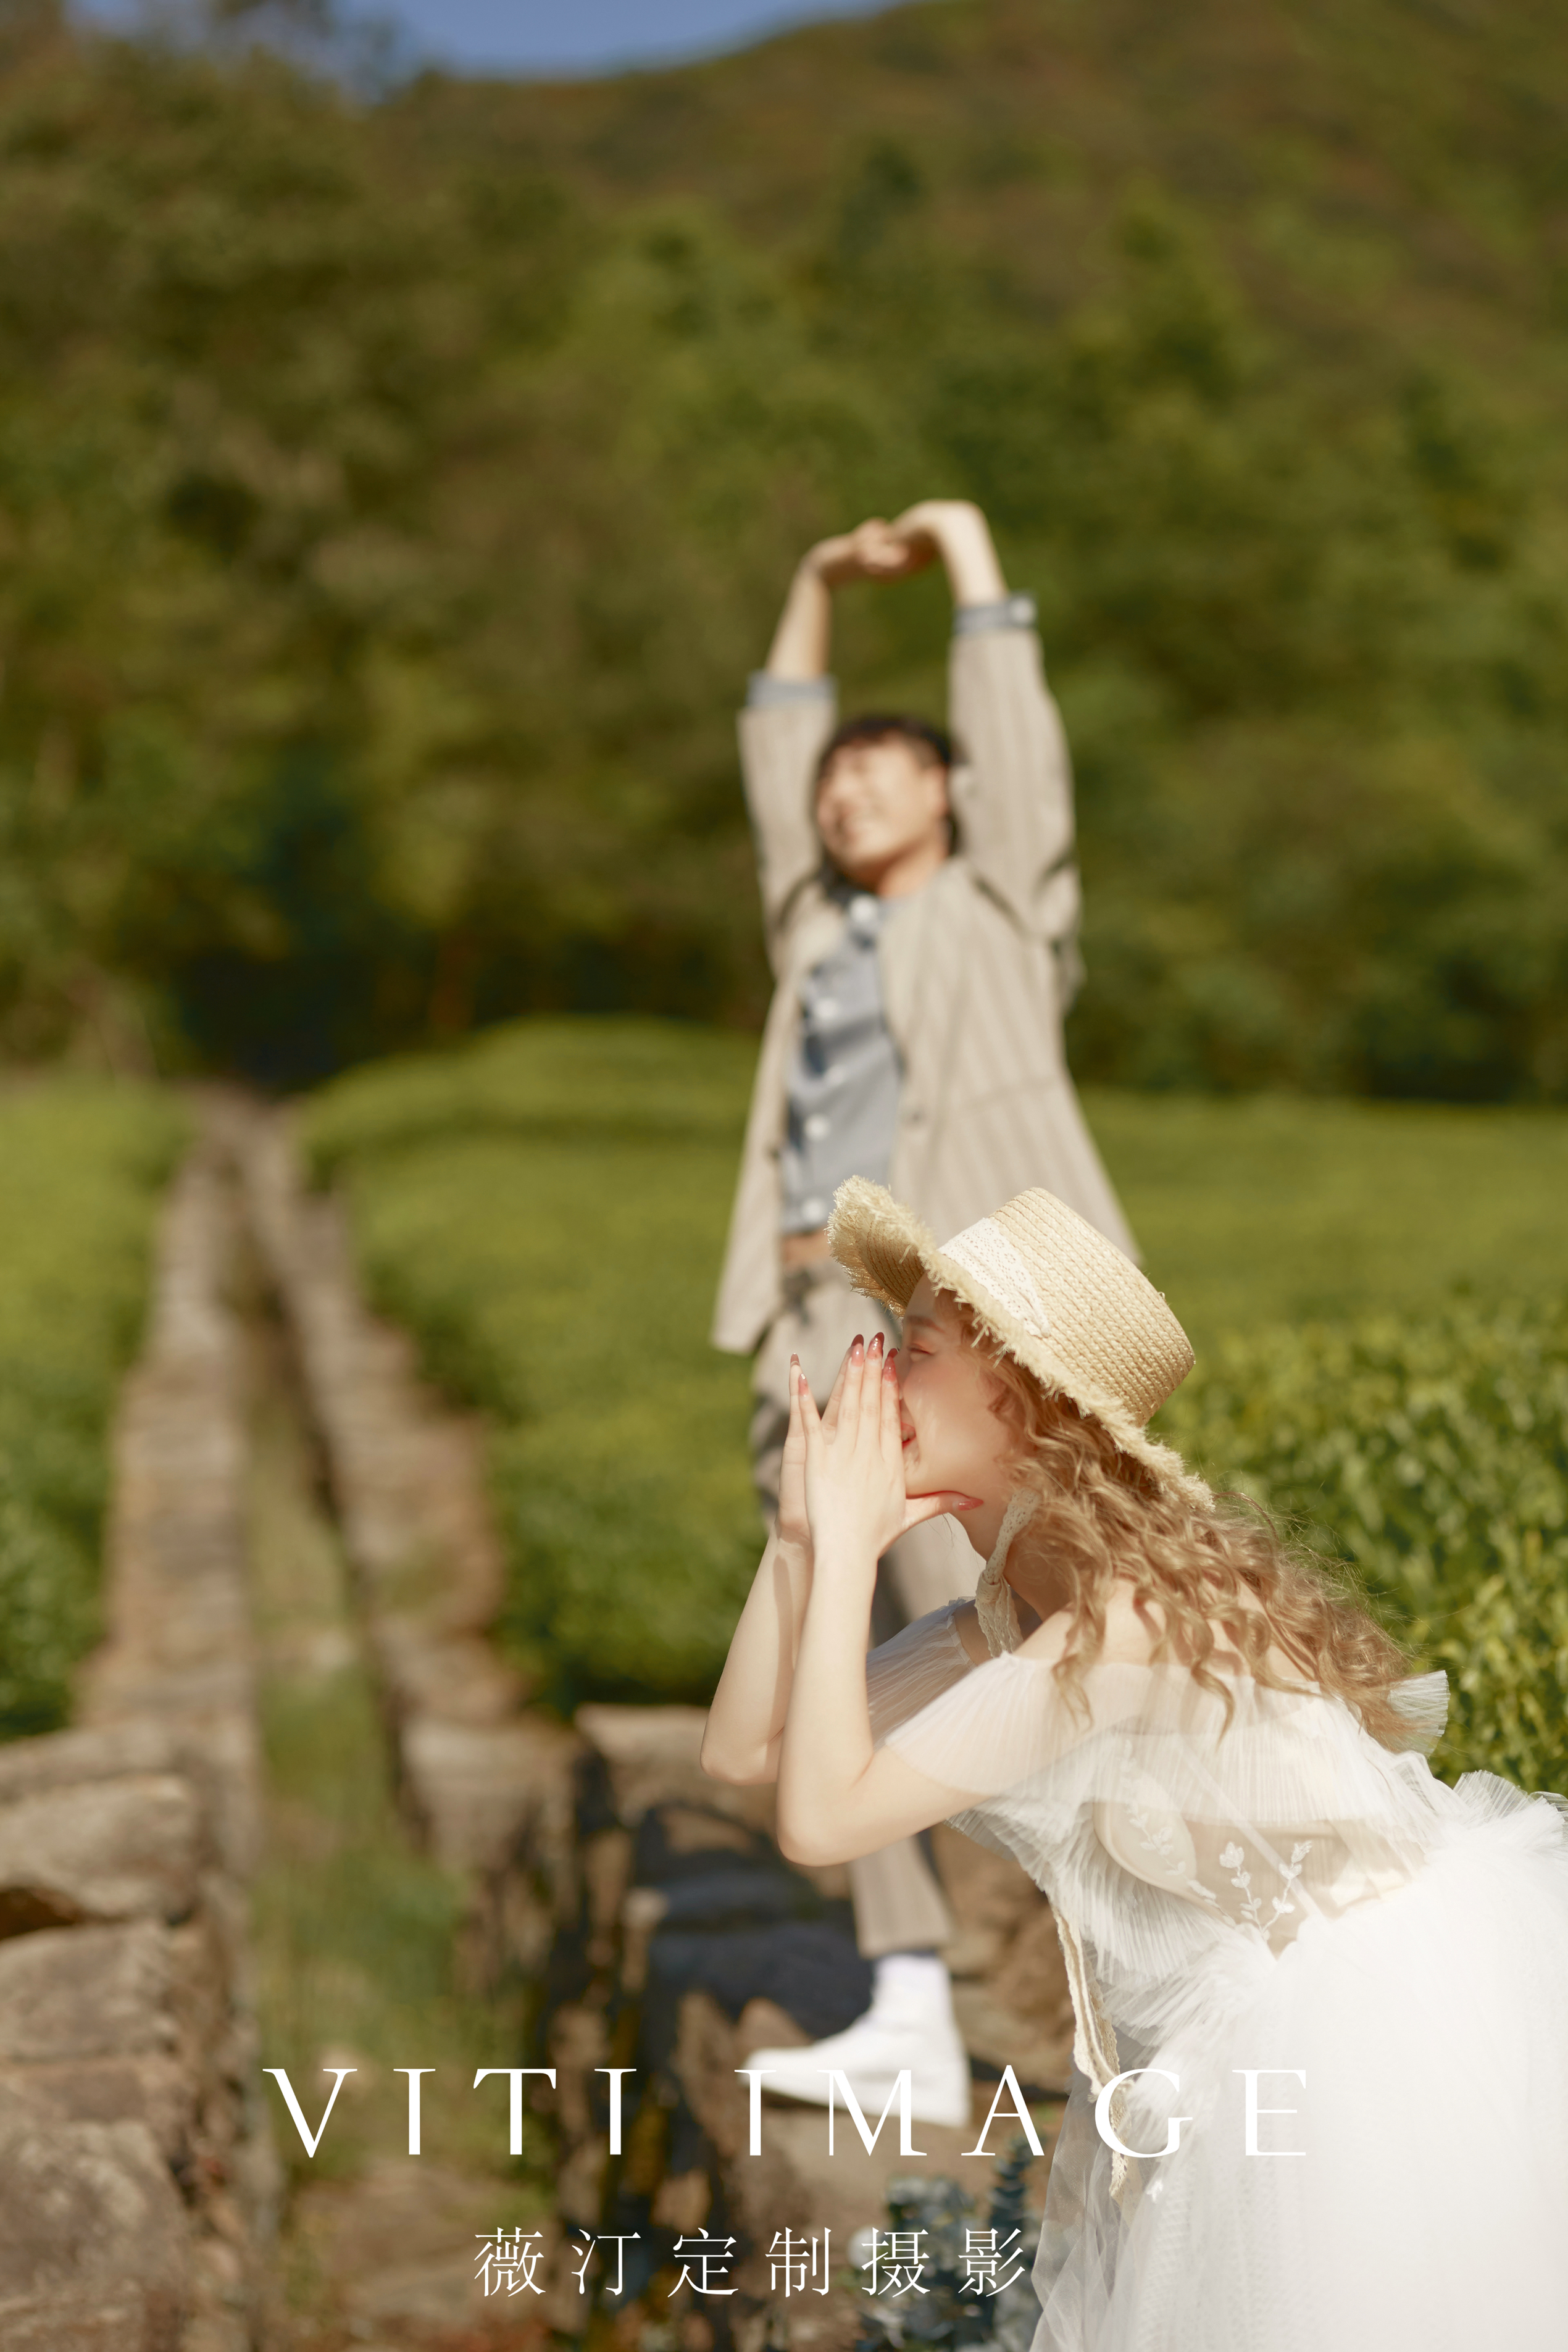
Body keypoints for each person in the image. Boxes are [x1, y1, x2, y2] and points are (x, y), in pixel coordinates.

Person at [703, 1177, 1568, 2348]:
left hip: (1361, 2051)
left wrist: (853, 1550)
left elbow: (822, 1824)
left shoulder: (1130, 1626)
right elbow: (748, 1750)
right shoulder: (1009, 1623)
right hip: (1232, 2053)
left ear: (1011, 1396)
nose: (881, 1383)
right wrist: (804, 1537)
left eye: (912, 1353)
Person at [715, 498, 1133, 2123]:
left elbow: (1024, 762)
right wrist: (814, 580)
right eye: (837, 776)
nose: (841, 788)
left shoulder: (998, 919)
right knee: (838, 1622)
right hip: (814, 1313)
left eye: (880, 768)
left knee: (1026, 1620)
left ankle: (1116, 1963)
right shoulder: (813, 925)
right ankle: (902, 1995)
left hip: (972, 1324)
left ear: (951, 791)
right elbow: (773, 758)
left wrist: (965, 559)